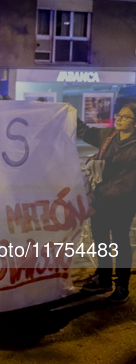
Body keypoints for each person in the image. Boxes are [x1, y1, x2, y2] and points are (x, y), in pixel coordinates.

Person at [78, 104, 136, 303]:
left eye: (126, 117)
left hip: (123, 203)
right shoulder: (108, 135)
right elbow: (84, 132)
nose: (119, 119)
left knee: (120, 242)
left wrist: (106, 196)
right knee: (101, 240)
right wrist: (69, 113)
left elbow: (129, 180)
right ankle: (103, 279)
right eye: (119, 115)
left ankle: (122, 286)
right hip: (101, 199)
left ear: (135, 123)